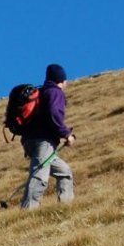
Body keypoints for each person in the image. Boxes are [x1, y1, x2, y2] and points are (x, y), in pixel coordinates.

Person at [20, 63, 76, 209]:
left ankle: (66, 207)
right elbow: (54, 114)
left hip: (31, 141)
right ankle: (28, 212)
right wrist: (66, 134)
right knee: (40, 177)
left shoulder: (41, 91)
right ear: (62, 81)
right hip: (43, 142)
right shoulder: (55, 92)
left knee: (65, 172)